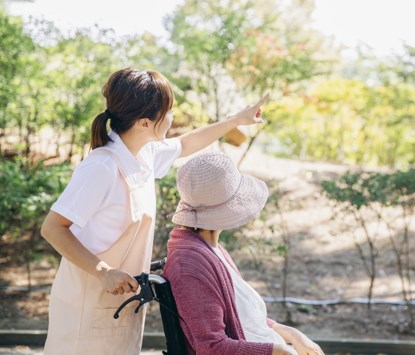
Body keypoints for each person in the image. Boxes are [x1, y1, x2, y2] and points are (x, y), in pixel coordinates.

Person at [40, 68, 269, 355]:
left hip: (124, 302)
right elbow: (52, 228)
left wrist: (237, 120)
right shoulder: (101, 167)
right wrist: (103, 272)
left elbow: (186, 143)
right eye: (169, 111)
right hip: (87, 302)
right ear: (146, 122)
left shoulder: (145, 153)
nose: (173, 117)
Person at [164, 152, 325, 355]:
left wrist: (292, 335)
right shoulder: (189, 264)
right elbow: (211, 347)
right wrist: (279, 351)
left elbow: (243, 318)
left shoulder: (208, 248)